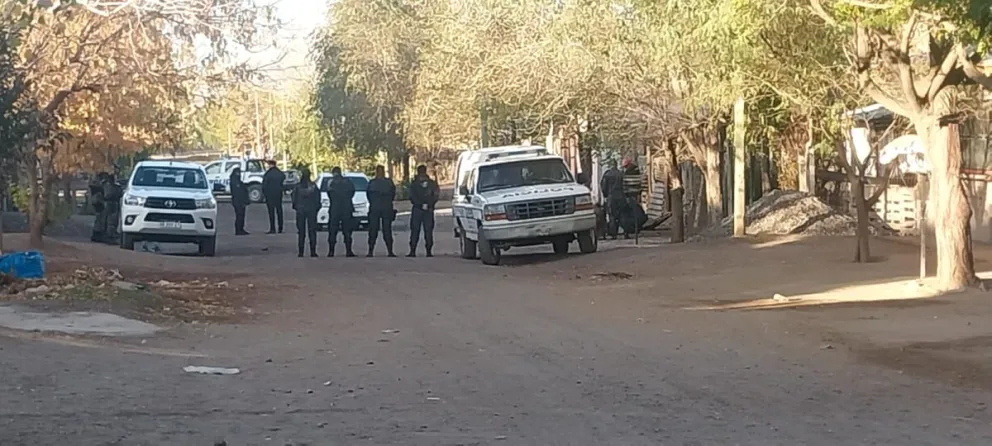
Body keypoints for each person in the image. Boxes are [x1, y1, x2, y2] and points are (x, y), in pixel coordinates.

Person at [408, 164, 440, 257]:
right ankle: (426, 251)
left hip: (419, 209)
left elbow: (411, 196)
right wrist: (429, 204)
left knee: (418, 230)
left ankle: (414, 251)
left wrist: (421, 204)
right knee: (426, 230)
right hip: (426, 209)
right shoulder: (431, 183)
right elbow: (436, 195)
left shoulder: (415, 184)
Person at [325, 166, 356, 257]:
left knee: (333, 231)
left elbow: (329, 194)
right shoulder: (348, 182)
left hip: (335, 209)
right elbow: (352, 193)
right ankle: (348, 251)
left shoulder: (331, 183)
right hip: (346, 209)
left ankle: (331, 251)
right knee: (347, 231)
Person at [366, 165, 397, 257]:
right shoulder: (388, 182)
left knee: (373, 230)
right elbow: (393, 194)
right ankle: (390, 251)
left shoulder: (372, 183)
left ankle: (371, 251)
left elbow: (368, 195)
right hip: (385, 208)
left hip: (375, 208)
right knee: (386, 230)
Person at [291, 169, 320, 257]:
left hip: (300, 211)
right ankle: (313, 251)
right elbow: (317, 199)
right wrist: (316, 208)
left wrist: (296, 207)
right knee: (312, 231)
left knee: (301, 232)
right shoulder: (313, 186)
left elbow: (294, 198)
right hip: (311, 210)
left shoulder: (297, 187)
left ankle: (301, 252)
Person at [600, 160, 627, 239]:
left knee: (612, 216)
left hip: (611, 197)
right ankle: (625, 233)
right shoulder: (621, 174)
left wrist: (605, 195)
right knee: (622, 215)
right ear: (616, 165)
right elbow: (625, 185)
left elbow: (603, 187)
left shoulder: (607, 174)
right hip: (621, 196)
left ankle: (613, 234)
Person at [262, 160, 286, 234]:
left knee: (271, 212)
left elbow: (264, 185)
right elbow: (283, 181)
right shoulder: (280, 173)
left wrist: (265, 194)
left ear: (270, 165)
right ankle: (280, 228)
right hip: (278, 194)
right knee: (279, 210)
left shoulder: (268, 174)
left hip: (270, 195)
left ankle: (272, 228)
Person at [102, 173, 123, 244]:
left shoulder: (116, 186)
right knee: (109, 220)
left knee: (113, 221)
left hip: (113, 203)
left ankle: (111, 235)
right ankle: (109, 236)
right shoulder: (106, 185)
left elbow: (120, 194)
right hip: (109, 203)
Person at [230, 166, 250, 235]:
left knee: (241, 216)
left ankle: (241, 228)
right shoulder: (234, 181)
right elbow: (238, 192)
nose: (239, 174)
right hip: (238, 201)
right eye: (238, 172)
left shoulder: (238, 181)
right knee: (239, 216)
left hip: (241, 201)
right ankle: (238, 230)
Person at [89, 172, 108, 243]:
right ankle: (97, 234)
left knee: (99, 218)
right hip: (98, 201)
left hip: (97, 201)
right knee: (99, 218)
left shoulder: (97, 184)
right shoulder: (98, 185)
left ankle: (98, 234)